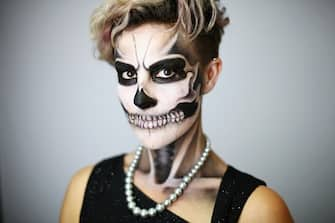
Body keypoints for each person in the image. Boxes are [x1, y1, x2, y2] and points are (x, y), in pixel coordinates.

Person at [60, 0, 293, 222]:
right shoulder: (85, 188)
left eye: (166, 73)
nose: (140, 99)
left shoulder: (257, 211)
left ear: (210, 75)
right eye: (128, 74)